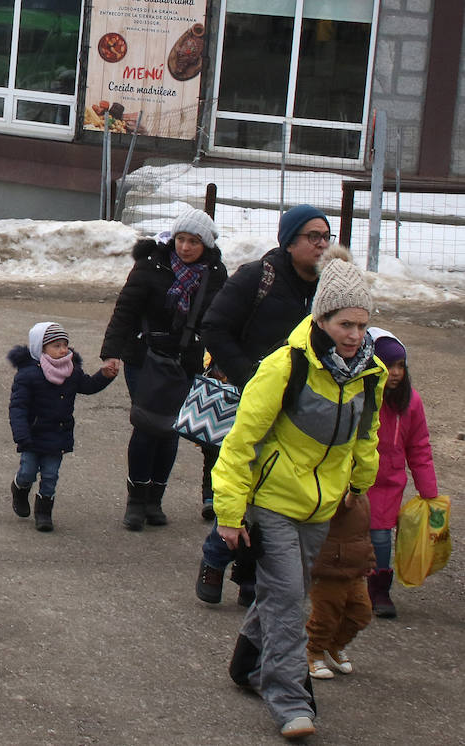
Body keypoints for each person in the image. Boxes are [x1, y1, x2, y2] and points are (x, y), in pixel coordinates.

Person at [217, 246, 383, 741]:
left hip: (323, 507)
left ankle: (247, 663)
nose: (355, 336)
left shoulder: (369, 374)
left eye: (361, 324)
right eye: (344, 325)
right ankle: (290, 701)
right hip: (273, 505)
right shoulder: (284, 367)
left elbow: (365, 436)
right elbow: (240, 441)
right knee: (289, 600)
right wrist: (229, 511)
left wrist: (358, 485)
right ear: (321, 318)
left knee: (283, 593)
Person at [196, 204, 329, 605]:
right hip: (251, 402)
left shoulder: (328, 288)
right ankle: (216, 557)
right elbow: (214, 327)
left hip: (299, 410)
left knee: (272, 492)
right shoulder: (259, 276)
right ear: (289, 242)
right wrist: (251, 377)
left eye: (326, 237)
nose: (322, 245)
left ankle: (249, 575)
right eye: (313, 237)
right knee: (247, 486)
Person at [101, 208, 227, 530]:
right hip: (144, 356)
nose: (185, 247)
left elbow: (221, 321)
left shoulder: (214, 274)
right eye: (181, 239)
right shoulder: (150, 266)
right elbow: (125, 310)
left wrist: (224, 361)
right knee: (146, 425)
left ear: (206, 244)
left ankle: (155, 500)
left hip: (184, 359)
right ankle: (136, 501)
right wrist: (112, 353)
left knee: (171, 428)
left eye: (193, 241)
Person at [8, 322, 117, 532]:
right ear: (41, 348)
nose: (63, 350)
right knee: (27, 473)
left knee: (50, 476)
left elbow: (88, 386)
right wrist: (21, 434)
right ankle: (19, 488)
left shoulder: (71, 371)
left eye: (65, 344)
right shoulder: (28, 375)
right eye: (56, 345)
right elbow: (18, 407)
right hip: (33, 435)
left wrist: (104, 375)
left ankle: (43, 513)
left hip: (58, 434)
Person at [363, 328, 437, 619]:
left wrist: (428, 492)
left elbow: (419, 448)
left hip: (388, 485)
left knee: (381, 538)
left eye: (400, 366)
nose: (395, 373)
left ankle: (379, 589)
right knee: (341, 534)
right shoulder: (362, 395)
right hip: (353, 480)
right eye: (389, 365)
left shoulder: (411, 402)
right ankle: (334, 582)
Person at [304, 488, 374, 681]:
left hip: (354, 568)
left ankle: (335, 644)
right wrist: (347, 494)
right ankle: (314, 651)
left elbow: (364, 534)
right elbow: (335, 510)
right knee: (325, 615)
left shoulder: (362, 497)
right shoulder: (332, 489)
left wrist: (369, 559)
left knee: (361, 612)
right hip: (328, 568)